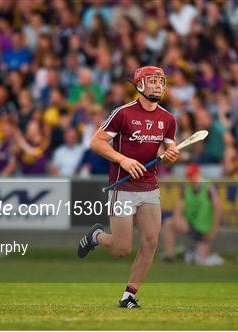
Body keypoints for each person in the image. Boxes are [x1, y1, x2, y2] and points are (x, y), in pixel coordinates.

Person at [77, 66, 179, 309]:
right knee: (122, 249)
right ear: (140, 85)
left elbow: (167, 150)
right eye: (152, 81)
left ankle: (129, 296)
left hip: (149, 187)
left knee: (151, 242)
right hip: (122, 188)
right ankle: (96, 236)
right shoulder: (122, 114)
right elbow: (96, 142)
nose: (158, 86)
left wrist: (171, 155)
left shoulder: (168, 119)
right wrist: (123, 159)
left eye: (160, 82)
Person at [162, 163, 222, 265]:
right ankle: (170, 256)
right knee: (168, 223)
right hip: (190, 224)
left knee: (202, 261)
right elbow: (178, 208)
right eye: (189, 176)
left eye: (192, 175)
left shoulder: (208, 187)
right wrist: (178, 221)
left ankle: (196, 252)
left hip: (204, 228)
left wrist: (214, 228)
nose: (191, 178)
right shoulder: (186, 188)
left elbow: (218, 208)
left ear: (198, 174)